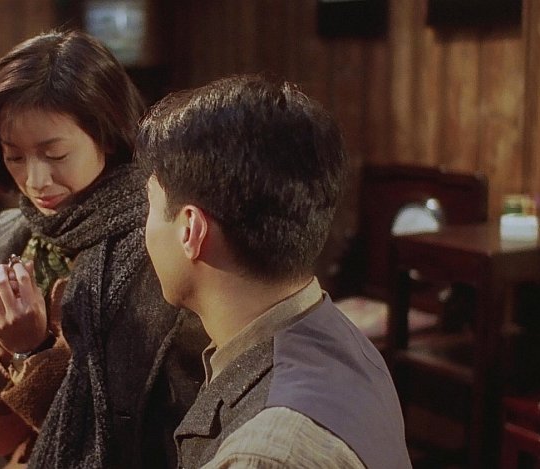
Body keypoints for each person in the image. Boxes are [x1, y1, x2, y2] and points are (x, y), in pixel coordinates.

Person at [0, 30, 206, 468]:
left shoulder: (158, 245)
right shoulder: (13, 237)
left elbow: (139, 439)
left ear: (109, 135)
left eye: (55, 154)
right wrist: (5, 350)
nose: (35, 181)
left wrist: (33, 349)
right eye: (14, 157)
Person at [135, 74, 412, 468]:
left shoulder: (266, 454)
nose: (143, 229)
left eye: (150, 205)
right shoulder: (336, 333)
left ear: (191, 230)